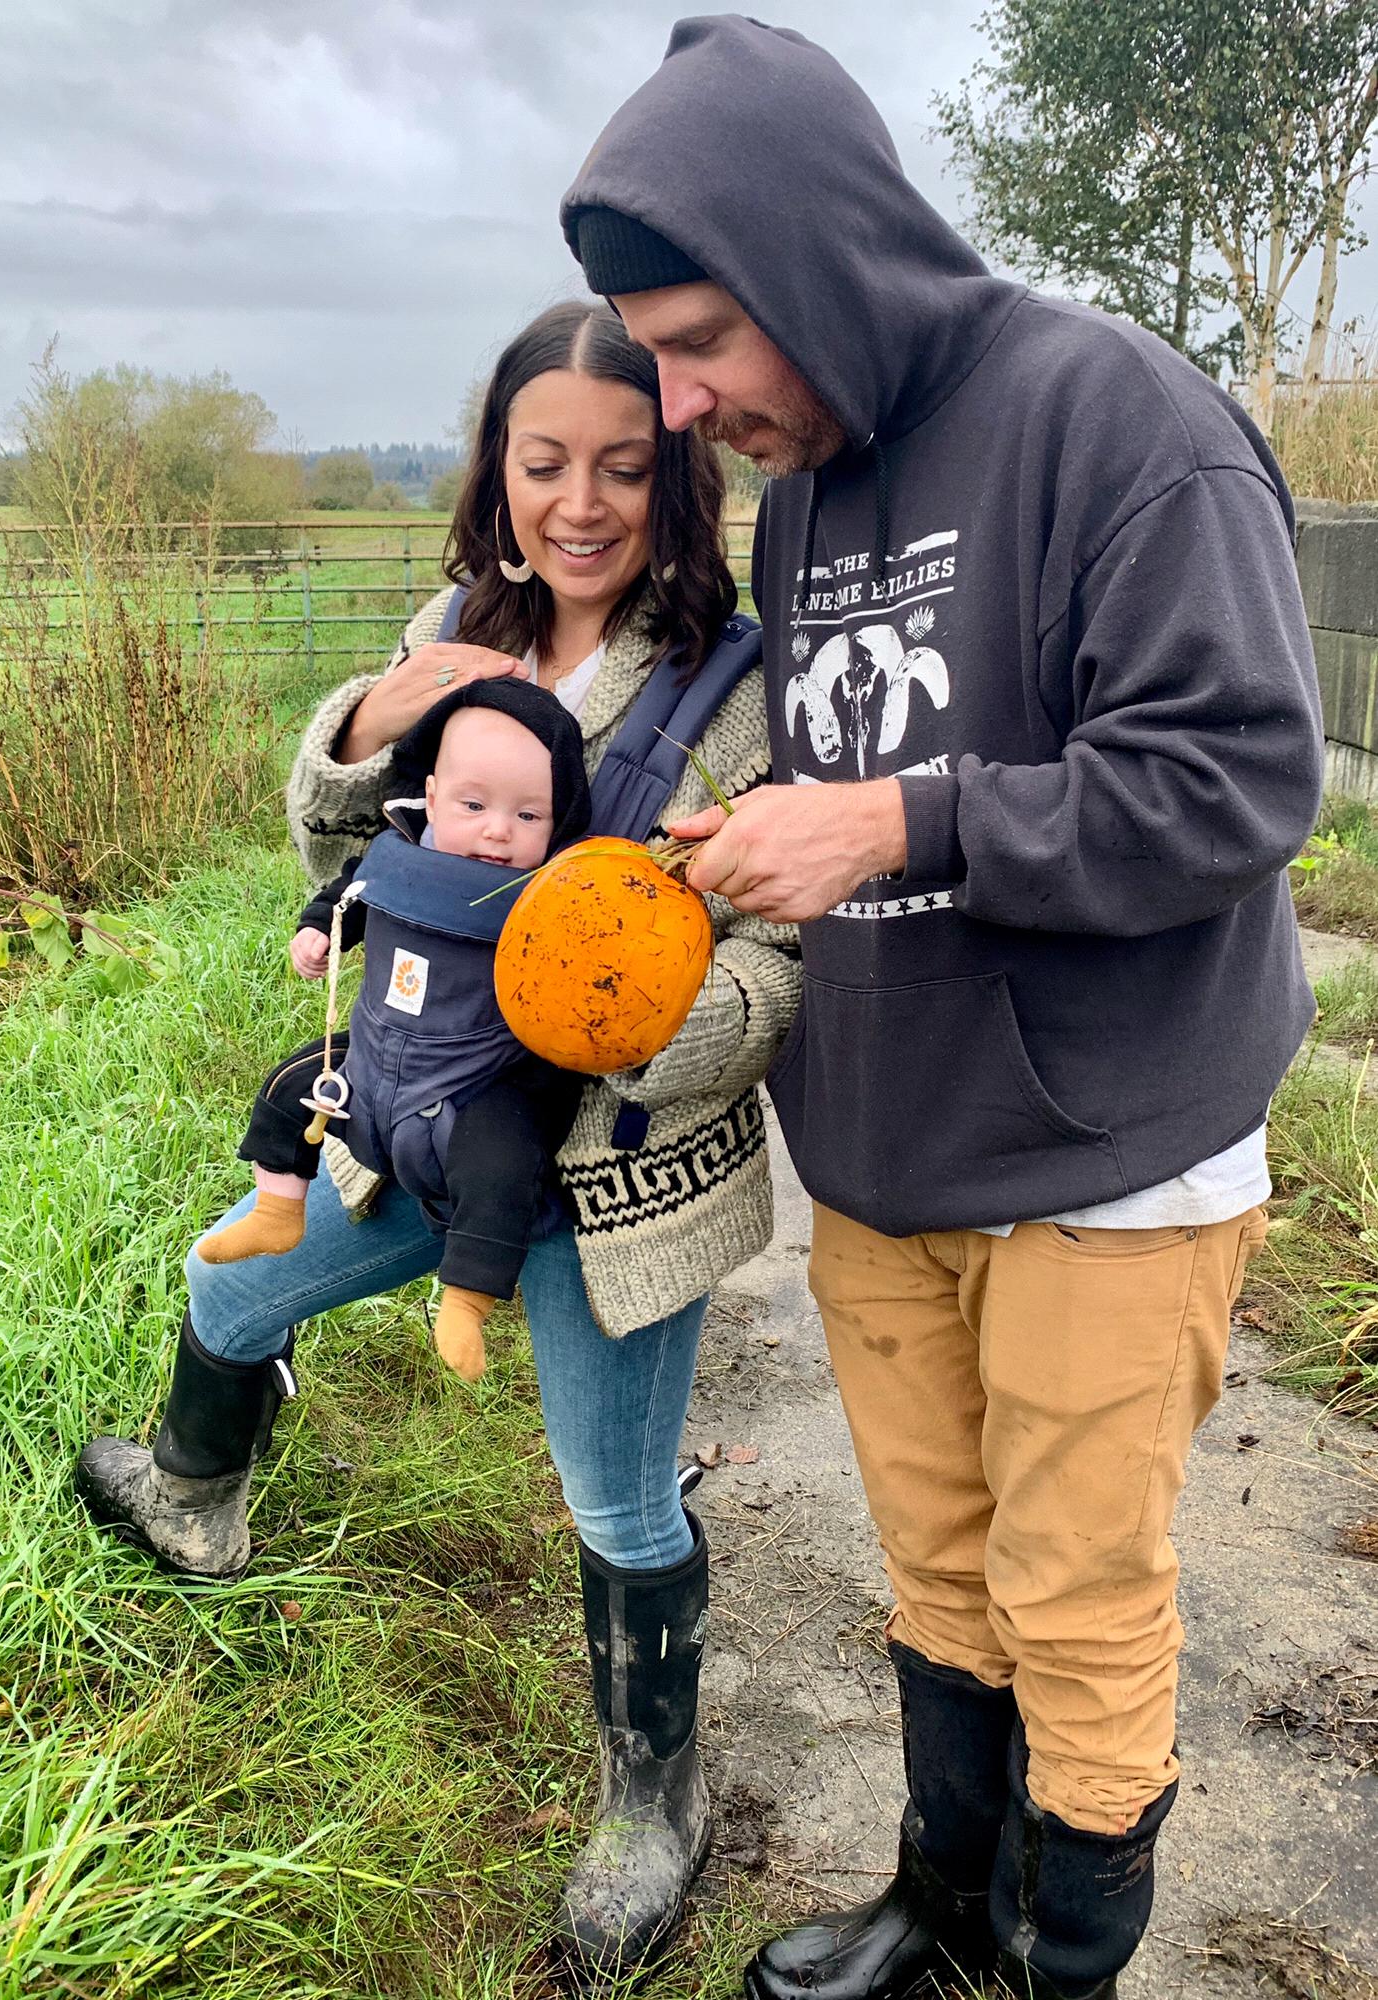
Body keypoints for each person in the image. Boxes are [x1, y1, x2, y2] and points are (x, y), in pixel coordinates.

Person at [561, 20, 1324, 2000]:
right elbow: (869, 780)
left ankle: (1065, 1962)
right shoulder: (811, 485)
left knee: (1076, 1598)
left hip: (1105, 1148)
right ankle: (945, 1902)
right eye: (650, 346)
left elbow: (1242, 778)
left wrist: (898, 815)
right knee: (941, 1565)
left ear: (826, 255)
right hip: (886, 1152)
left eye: (706, 335)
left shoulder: (1116, 419)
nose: (679, 397)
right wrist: (780, 843)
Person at [74, 299, 802, 1981]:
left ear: (677, 479)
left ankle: (652, 1802)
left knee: (615, 1500)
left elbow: (776, 964)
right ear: (498, 470)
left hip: (614, 1179)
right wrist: (374, 703)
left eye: (626, 467)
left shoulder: (732, 692)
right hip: (416, 1131)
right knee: (229, 1290)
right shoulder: (458, 624)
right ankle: (200, 1503)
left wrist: (628, 1029)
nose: (582, 502)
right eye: (544, 462)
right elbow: (338, 832)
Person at [194, 680, 593, 1385]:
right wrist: (317, 931)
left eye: (528, 815)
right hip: (372, 1068)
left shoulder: (550, 893)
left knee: (504, 1161)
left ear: (557, 823)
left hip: (471, 1088)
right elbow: (347, 891)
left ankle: (468, 1297)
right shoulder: (395, 849)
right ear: (432, 797)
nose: (498, 831)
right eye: (474, 806)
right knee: (292, 1083)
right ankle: (278, 1208)